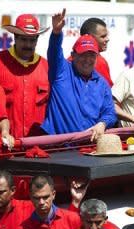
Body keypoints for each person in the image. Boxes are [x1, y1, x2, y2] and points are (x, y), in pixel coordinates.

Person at [40, 9, 116, 139]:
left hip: (88, 150)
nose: (87, 60)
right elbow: (54, 51)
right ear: (73, 55)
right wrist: (56, 33)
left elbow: (110, 112)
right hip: (57, 149)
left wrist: (103, 124)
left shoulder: (102, 83)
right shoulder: (61, 71)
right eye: (83, 55)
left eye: (91, 55)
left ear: (97, 57)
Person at [0, 14, 49, 138]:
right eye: (24, 39)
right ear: (15, 38)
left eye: (32, 40)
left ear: (37, 40)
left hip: (38, 147)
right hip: (5, 146)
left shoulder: (46, 66)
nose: (28, 45)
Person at [14, 175, 81, 229]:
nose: (41, 202)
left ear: (53, 195)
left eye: (45, 197)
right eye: (37, 198)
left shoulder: (73, 219)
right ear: (31, 197)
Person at [77, 17, 113, 86]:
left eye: (106, 36)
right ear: (89, 37)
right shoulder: (98, 61)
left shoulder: (72, 58)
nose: (107, 39)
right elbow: (107, 90)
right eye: (103, 36)